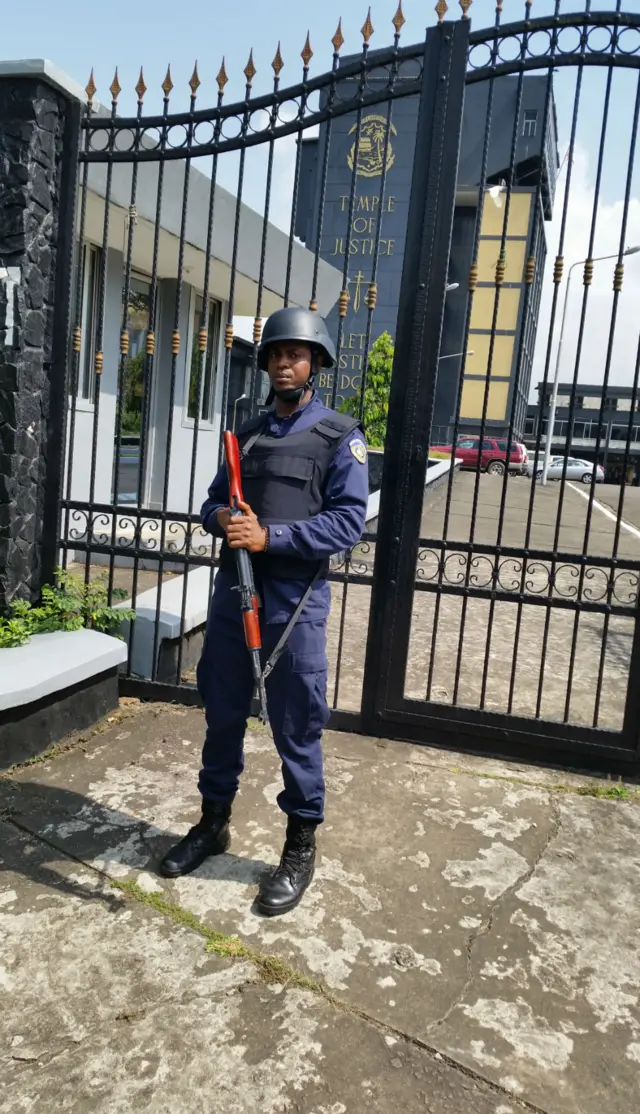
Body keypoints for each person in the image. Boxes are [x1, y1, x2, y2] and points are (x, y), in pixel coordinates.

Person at [159, 306, 369, 916]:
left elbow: (347, 523)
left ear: (316, 364)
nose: (285, 362)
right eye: (277, 352)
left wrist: (269, 538)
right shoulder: (246, 435)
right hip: (233, 596)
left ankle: (300, 845)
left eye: (297, 354)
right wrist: (222, 519)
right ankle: (213, 822)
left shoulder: (340, 436)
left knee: (296, 727)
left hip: (293, 603)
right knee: (222, 712)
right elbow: (212, 502)